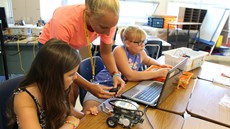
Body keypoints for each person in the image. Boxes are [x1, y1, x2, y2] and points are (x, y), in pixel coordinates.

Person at [38, 0, 125, 103]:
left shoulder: (107, 21)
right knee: (62, 90)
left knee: (74, 89)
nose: (107, 33)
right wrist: (89, 87)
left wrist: (115, 74)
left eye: (111, 27)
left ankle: (71, 115)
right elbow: (62, 66)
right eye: (103, 27)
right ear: (88, 14)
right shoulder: (64, 21)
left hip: (71, 47)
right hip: (52, 48)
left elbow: (106, 53)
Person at [82, 25, 171, 115]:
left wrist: (161, 66)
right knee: (90, 111)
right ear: (127, 43)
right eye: (139, 42)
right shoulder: (119, 51)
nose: (143, 45)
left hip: (119, 91)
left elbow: (149, 61)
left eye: (144, 41)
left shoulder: (141, 52)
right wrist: (157, 73)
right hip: (103, 86)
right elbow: (130, 76)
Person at [7, 38, 82, 129]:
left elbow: (70, 111)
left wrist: (86, 114)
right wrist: (70, 124)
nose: (75, 77)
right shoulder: (24, 98)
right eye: (71, 75)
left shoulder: (54, 87)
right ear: (53, 75)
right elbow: (71, 120)